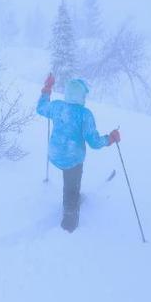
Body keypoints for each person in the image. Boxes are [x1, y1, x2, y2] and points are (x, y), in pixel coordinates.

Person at [36, 73, 120, 232]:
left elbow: (41, 108)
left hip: (54, 154)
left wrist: (47, 88)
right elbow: (94, 142)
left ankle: (71, 199)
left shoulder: (57, 106)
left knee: (70, 181)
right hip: (72, 159)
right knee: (71, 189)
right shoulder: (84, 114)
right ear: (81, 96)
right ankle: (69, 223)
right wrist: (110, 139)